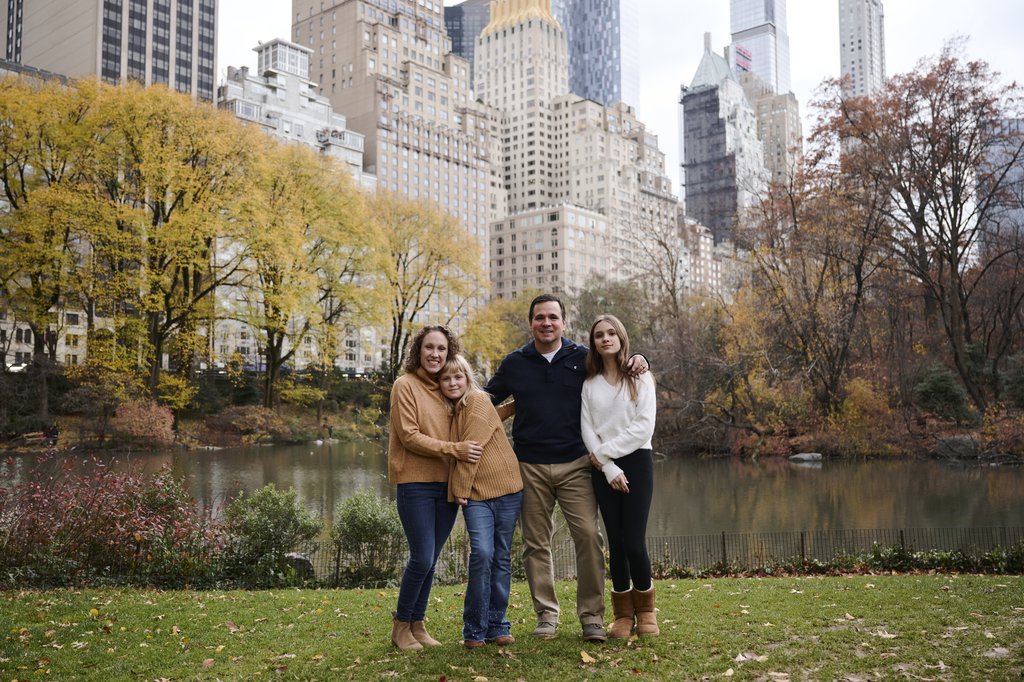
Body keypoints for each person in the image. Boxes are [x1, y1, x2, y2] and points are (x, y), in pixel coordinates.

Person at [485, 294, 647, 642]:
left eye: (553, 317)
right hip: (528, 465)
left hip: (576, 463)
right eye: (540, 317)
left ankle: (591, 617)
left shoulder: (583, 358)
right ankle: (546, 615)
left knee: (589, 537)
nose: (547, 323)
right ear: (531, 322)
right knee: (535, 543)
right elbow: (486, 400)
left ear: (564, 322)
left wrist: (640, 358)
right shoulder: (515, 362)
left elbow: (616, 363)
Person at [387, 325, 483, 651]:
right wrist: (454, 450)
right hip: (414, 484)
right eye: (429, 347)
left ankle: (417, 623)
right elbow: (409, 436)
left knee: (432, 559)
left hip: (446, 486)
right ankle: (401, 626)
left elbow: (478, 415)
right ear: (419, 350)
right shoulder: (405, 386)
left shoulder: (446, 389)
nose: (435, 354)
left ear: (449, 353)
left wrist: (518, 403)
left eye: (441, 349)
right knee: (421, 557)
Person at [439, 354, 524, 649]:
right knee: (482, 555)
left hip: (507, 489)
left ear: (468, 379)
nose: (452, 383)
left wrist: (458, 488)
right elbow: (488, 420)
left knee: (500, 557)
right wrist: (513, 406)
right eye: (446, 378)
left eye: (458, 377)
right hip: (477, 497)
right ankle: (474, 628)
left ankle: (497, 625)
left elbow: (472, 449)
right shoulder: (454, 410)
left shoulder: (475, 399)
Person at [581, 314, 659, 638]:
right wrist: (608, 466)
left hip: (638, 461)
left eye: (612, 333)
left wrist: (605, 454)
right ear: (594, 343)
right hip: (604, 469)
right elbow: (587, 428)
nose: (606, 338)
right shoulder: (589, 384)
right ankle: (623, 615)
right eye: (599, 335)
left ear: (621, 337)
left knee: (634, 541)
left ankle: (646, 611)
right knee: (615, 541)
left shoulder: (640, 377)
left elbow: (644, 427)